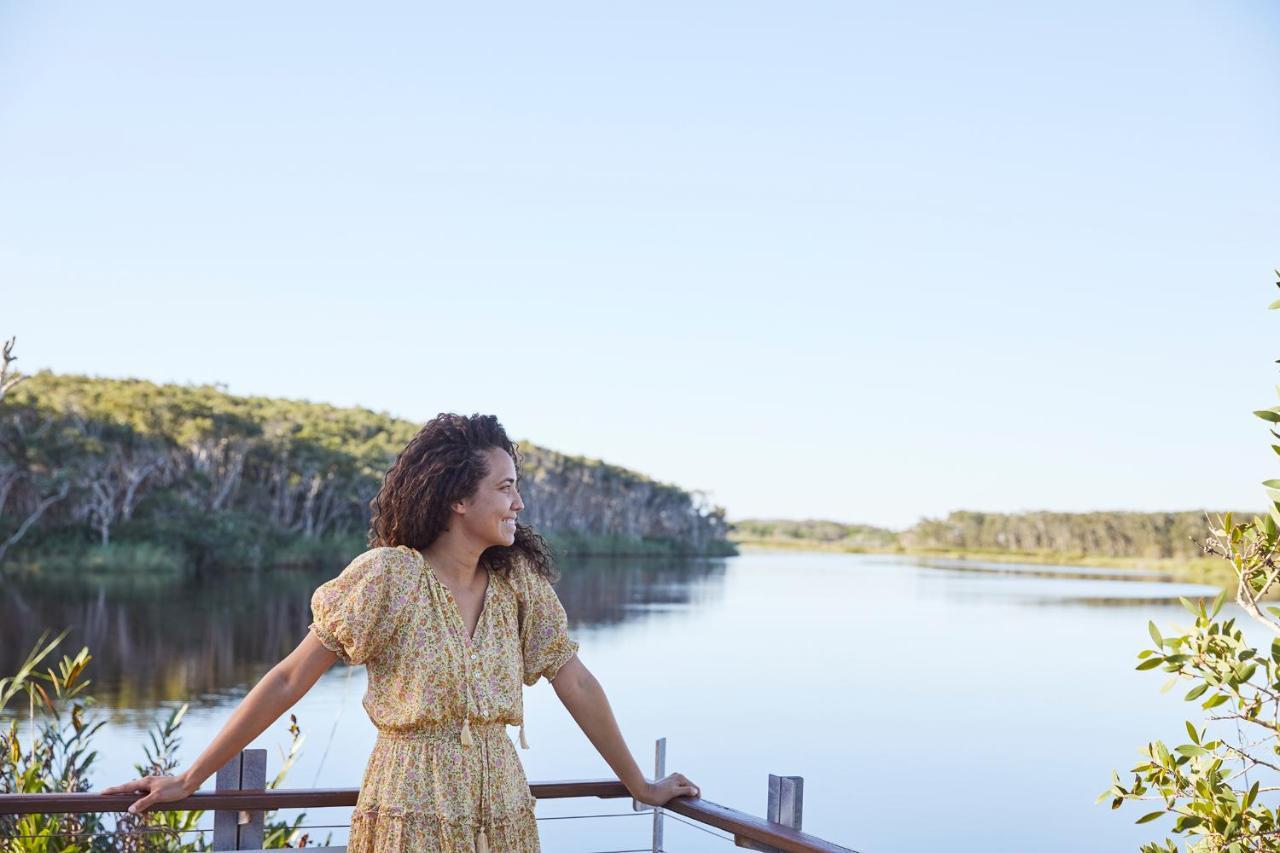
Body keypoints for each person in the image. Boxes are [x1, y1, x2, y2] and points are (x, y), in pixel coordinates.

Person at [99, 413, 701, 852]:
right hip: (411, 807)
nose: (519, 502)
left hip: (503, 811)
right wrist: (191, 777)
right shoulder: (389, 577)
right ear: (457, 500)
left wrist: (639, 784)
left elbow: (577, 683)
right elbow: (288, 678)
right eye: (506, 486)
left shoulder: (517, 582)